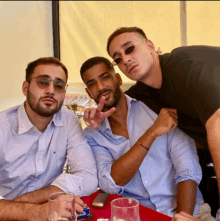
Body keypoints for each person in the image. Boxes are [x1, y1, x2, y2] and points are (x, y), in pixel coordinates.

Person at [80, 56, 215, 220]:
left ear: (118, 78)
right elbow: (110, 184)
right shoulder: (92, 135)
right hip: (136, 216)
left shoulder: (156, 109)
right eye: (92, 84)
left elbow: (187, 171)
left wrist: (182, 217)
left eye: (105, 77)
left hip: (191, 214)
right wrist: (152, 132)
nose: (101, 87)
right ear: (88, 92)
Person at [104, 26, 220, 217]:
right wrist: (98, 113)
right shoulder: (143, 91)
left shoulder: (184, 65)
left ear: (150, 46)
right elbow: (119, 103)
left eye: (130, 48)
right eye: (117, 59)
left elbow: (217, 124)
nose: (125, 59)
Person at [0, 57, 98, 221]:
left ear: (64, 94)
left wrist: (45, 198)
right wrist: (35, 211)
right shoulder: (2, 128)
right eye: (43, 82)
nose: (51, 90)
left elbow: (88, 176)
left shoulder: (68, 121)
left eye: (59, 85)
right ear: (26, 88)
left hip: (50, 212)